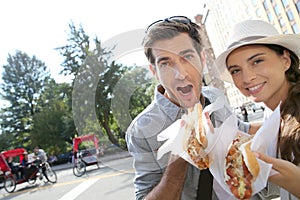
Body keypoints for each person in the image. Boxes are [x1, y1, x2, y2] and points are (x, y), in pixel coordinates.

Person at [126, 16, 262, 200]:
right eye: (165, 63)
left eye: (187, 57)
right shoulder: (142, 130)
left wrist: (288, 121)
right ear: (154, 72)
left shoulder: (214, 96)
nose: (180, 74)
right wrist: (179, 159)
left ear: (202, 59)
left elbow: (242, 131)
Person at [214, 19, 300, 199]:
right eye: (236, 70)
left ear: (285, 60)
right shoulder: (275, 116)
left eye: (257, 61)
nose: (247, 77)